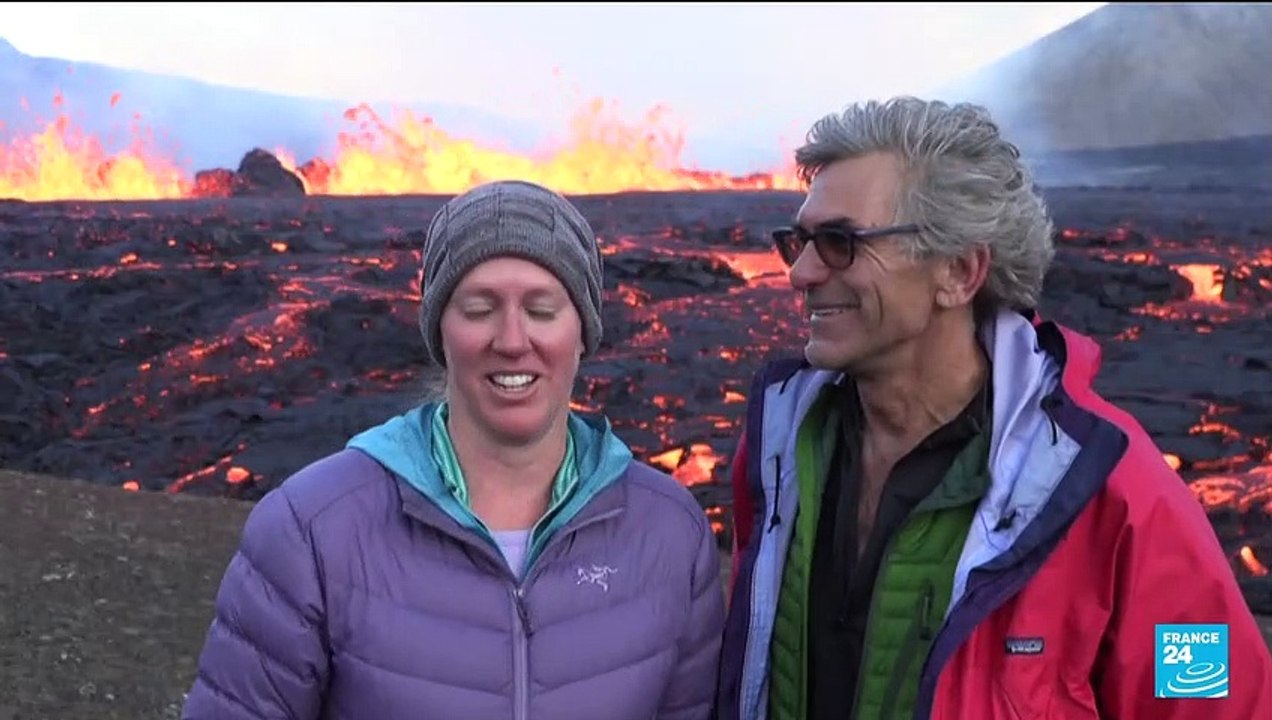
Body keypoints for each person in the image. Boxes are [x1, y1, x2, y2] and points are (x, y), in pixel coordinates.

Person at [714, 97, 1272, 720]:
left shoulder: (1111, 489)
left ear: (959, 271)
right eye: (800, 242)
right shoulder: (781, 452)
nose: (800, 274)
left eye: (841, 242)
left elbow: (1213, 703)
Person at [182, 179, 725, 719]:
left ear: (582, 331)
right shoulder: (312, 532)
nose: (512, 341)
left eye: (541, 310)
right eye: (478, 308)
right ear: (439, 331)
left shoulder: (669, 534)